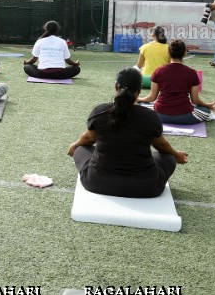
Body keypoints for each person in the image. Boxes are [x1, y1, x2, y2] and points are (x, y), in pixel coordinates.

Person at [68, 68, 188, 198]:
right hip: (146, 187)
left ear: (116, 86)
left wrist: (75, 145)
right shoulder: (150, 116)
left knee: (80, 148)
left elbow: (88, 139)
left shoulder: (100, 111)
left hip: (97, 183)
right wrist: (176, 155)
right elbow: (162, 146)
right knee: (168, 156)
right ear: (140, 89)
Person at [139, 39, 215, 124]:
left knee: (142, 106)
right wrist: (207, 105)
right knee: (205, 110)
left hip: (160, 115)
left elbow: (152, 97)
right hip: (185, 116)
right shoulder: (192, 73)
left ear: (168, 52)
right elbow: (195, 100)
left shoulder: (158, 71)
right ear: (184, 53)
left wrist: (138, 99)